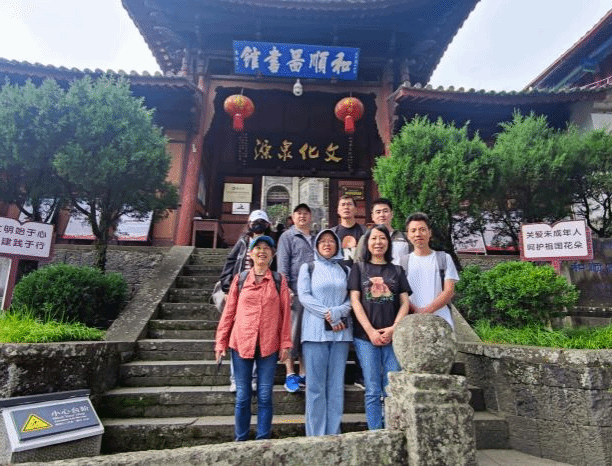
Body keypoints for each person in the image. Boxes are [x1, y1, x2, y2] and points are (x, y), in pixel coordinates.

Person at [215, 235, 292, 441]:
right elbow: (229, 312)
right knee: (242, 396)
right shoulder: (240, 280)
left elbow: (285, 314)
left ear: (272, 254)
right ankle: (240, 440)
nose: (262, 251)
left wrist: (285, 343)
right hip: (241, 342)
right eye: (258, 247)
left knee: (265, 396)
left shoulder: (279, 280)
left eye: (267, 248)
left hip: (268, 344)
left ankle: (262, 441)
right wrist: (221, 342)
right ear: (250, 253)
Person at [348, 224, 410, 430]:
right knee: (373, 388)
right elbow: (355, 301)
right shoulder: (358, 268)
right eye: (373, 238)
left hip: (393, 337)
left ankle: (393, 430)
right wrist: (370, 331)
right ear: (367, 243)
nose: (378, 242)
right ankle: (376, 431)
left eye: (382, 238)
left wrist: (394, 328)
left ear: (388, 243)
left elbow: (405, 303)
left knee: (391, 387)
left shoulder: (397, 270)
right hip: (365, 338)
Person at [297, 229, 352, 436]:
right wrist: (328, 314)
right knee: (315, 387)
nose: (327, 244)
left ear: (337, 245)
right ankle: (316, 435)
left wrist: (338, 313)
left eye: (331, 241)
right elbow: (304, 296)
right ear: (316, 246)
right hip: (314, 333)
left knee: (336, 386)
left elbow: (351, 298)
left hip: (341, 334)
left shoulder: (345, 269)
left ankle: (333, 432)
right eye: (322, 241)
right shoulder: (308, 267)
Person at [218, 209, 273, 392]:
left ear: (267, 225)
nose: (258, 225)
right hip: (242, 291)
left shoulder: (271, 244)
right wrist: (227, 288)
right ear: (249, 224)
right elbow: (230, 263)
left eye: (261, 222)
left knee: (259, 335)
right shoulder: (243, 242)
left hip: (263, 292)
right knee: (238, 336)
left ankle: (254, 377)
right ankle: (236, 378)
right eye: (255, 222)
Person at [276, 203, 315, 393]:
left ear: (311, 217)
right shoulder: (287, 236)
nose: (302, 216)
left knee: (307, 334)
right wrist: (286, 290)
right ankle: (290, 373)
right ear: (292, 216)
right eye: (299, 213)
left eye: (306, 213)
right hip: (295, 292)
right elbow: (282, 265)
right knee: (292, 334)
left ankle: (304, 372)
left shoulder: (316, 237)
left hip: (313, 294)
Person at [403, 212, 459, 329]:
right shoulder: (403, 262)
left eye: (422, 229)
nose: (418, 234)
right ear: (407, 235)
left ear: (430, 233)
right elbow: (401, 294)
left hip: (442, 322)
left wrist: (425, 311)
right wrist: (416, 311)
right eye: (413, 230)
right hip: (412, 323)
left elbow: (449, 291)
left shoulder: (444, 258)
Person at [355, 198, 410, 265]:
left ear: (392, 214)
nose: (382, 215)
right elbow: (358, 262)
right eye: (378, 212)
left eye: (385, 211)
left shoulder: (405, 237)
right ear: (373, 216)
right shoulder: (365, 239)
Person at [331, 194, 367, 263]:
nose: (346, 207)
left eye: (349, 204)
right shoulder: (332, 233)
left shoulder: (365, 232)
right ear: (338, 210)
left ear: (356, 209)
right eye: (343, 205)